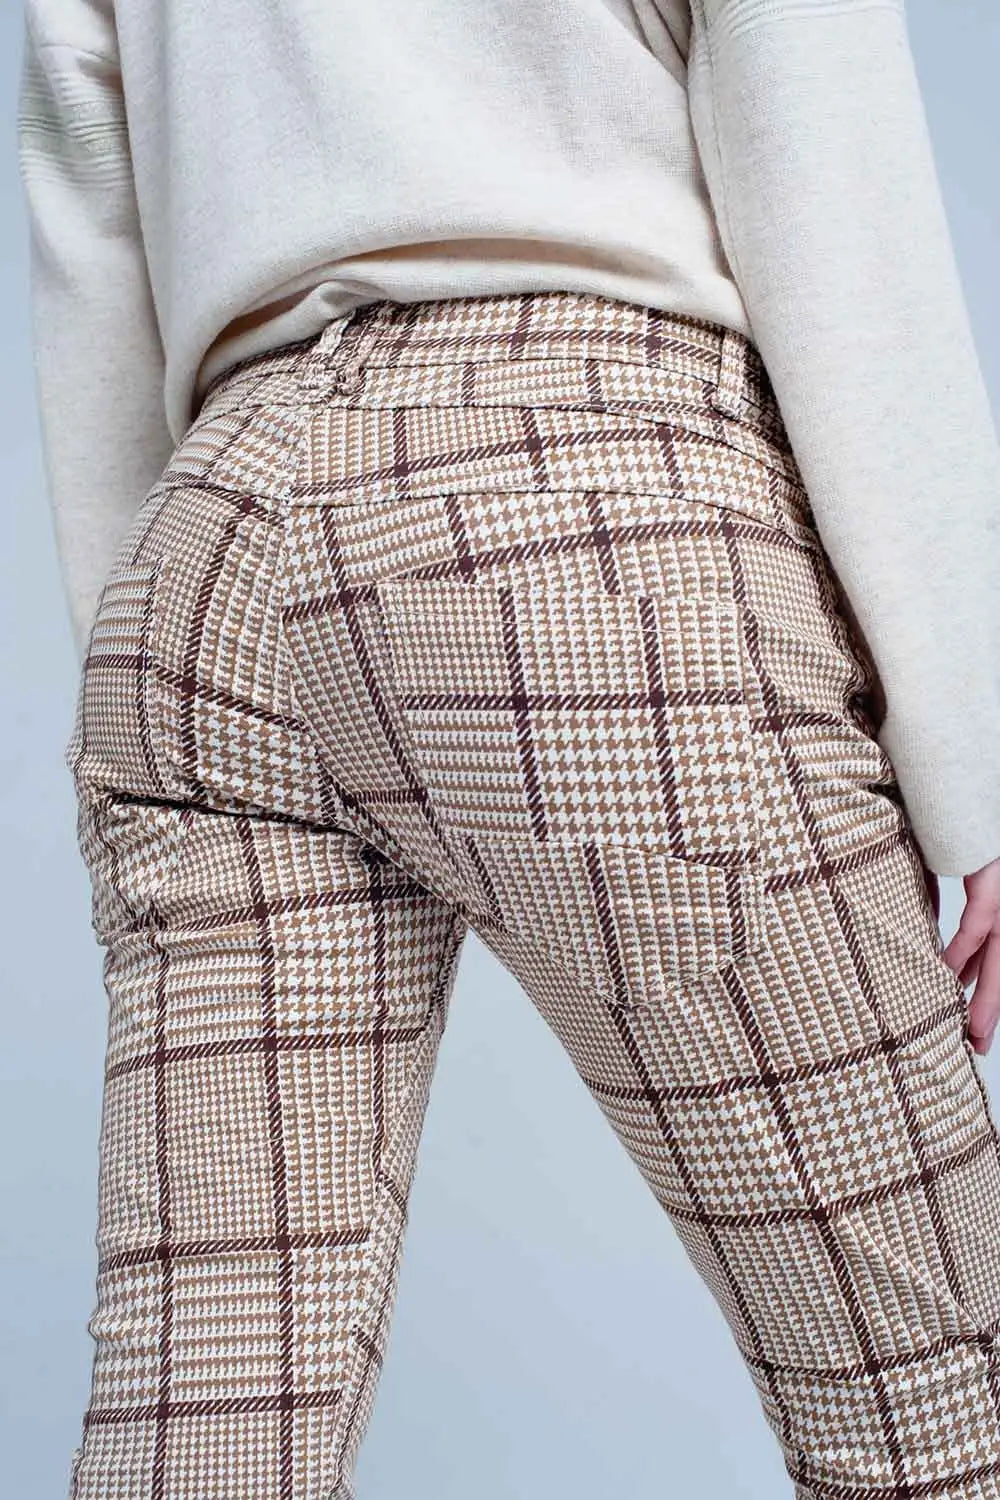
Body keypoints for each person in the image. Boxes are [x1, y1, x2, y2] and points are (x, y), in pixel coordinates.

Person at [16, 1, 1000, 1495]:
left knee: (209, 1430)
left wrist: (154, 705)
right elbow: (828, 174)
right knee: (943, 1401)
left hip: (204, 547)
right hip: (573, 491)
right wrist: (977, 754)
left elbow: (92, 209)